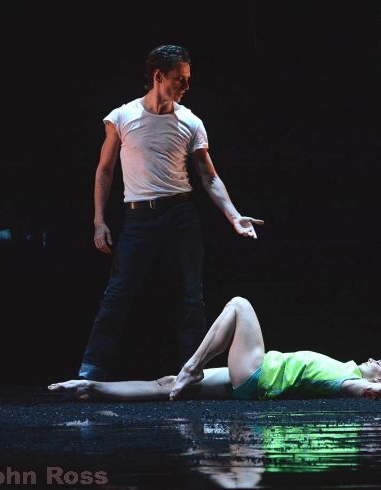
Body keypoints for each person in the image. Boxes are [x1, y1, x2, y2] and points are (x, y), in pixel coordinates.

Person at [78, 45, 263, 382]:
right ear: (158, 76)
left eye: (188, 79)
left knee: (191, 295)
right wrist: (99, 221)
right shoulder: (122, 117)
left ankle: (192, 371)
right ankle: (92, 368)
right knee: (118, 293)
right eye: (180, 79)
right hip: (139, 217)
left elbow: (208, 176)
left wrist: (233, 215)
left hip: (180, 215)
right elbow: (105, 170)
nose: (186, 86)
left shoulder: (190, 121)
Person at [51, 297, 381, 401]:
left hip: (256, 372)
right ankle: (92, 388)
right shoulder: (354, 368)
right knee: (166, 385)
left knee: (239, 305)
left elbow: (371, 390)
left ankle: (192, 365)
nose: (379, 358)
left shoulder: (348, 380)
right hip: (253, 377)